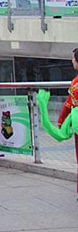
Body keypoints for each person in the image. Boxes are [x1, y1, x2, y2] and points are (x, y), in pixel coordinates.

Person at [58, 47, 78, 194]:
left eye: (73, 58)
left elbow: (69, 104)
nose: (72, 61)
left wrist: (61, 121)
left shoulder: (76, 84)